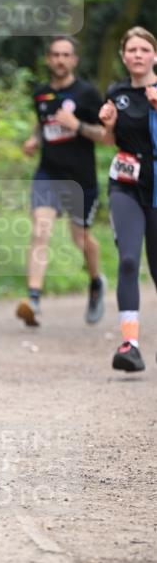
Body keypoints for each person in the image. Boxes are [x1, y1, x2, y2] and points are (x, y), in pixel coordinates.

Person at [16, 36, 107, 327]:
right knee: (40, 231)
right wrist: (34, 139)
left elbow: (105, 135)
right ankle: (33, 300)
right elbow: (42, 124)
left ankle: (95, 282)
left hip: (81, 178)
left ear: (74, 60)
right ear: (47, 59)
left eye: (66, 55)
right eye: (55, 54)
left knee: (80, 238)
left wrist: (77, 125)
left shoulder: (88, 93)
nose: (60, 60)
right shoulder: (41, 94)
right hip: (48, 174)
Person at [99, 25, 157, 373]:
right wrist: (107, 124)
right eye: (131, 49)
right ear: (123, 56)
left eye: (144, 49)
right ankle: (129, 344)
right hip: (125, 182)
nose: (137, 55)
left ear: (154, 55)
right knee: (128, 260)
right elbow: (110, 140)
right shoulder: (116, 91)